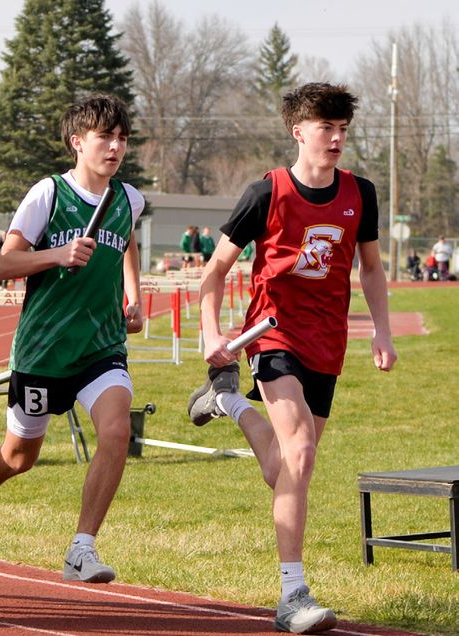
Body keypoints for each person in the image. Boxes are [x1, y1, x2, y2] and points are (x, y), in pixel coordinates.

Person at [188, 82, 396, 634]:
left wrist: (382, 331)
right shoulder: (266, 194)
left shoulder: (361, 193)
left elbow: (371, 269)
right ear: (297, 131)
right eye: (325, 128)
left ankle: (227, 400)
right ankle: (291, 594)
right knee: (300, 450)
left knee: (285, 468)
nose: (335, 139)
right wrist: (211, 333)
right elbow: (213, 272)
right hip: (272, 334)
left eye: (343, 130)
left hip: (328, 343)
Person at [0, 94, 144, 586]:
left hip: (101, 346)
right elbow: (4, 264)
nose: (115, 147)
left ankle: (82, 548)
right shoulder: (48, 194)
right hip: (43, 349)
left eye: (122, 138)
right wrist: (57, 254)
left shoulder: (129, 199)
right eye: (105, 137)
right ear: (78, 142)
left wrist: (133, 295)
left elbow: (127, 241)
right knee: (19, 458)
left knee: (117, 431)